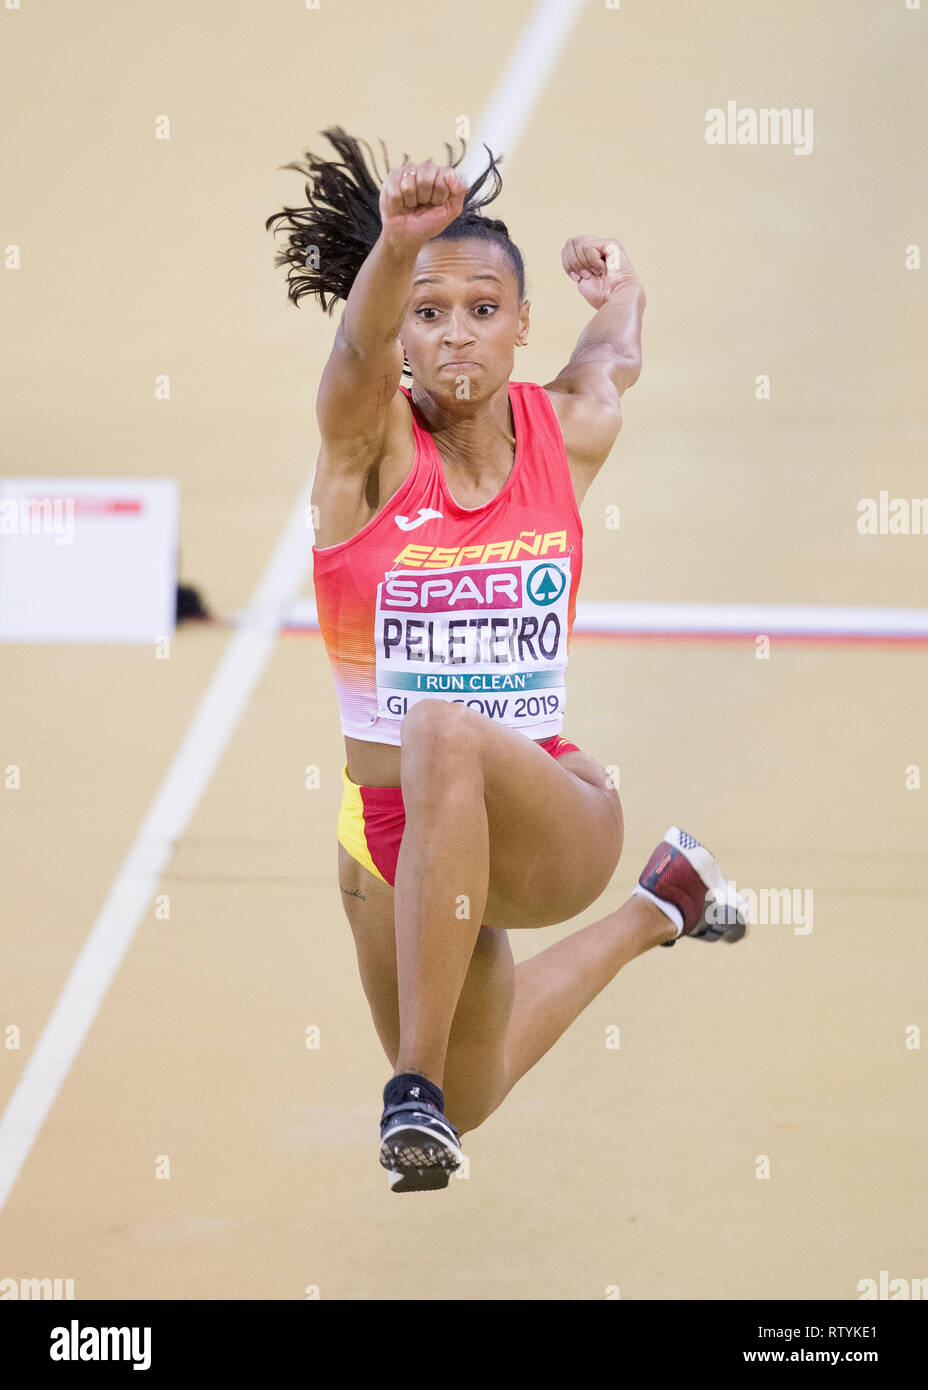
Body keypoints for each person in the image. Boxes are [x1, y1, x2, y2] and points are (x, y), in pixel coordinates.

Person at [266, 127, 748, 1193]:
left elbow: (612, 353)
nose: (454, 338)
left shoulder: (566, 432)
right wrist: (394, 247)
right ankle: (661, 904)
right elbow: (350, 359)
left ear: (522, 326)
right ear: (398, 331)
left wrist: (621, 289)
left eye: (483, 312)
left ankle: (409, 1092)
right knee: (479, 1096)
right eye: (426, 314)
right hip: (392, 834)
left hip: (547, 814)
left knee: (440, 721)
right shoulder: (365, 449)